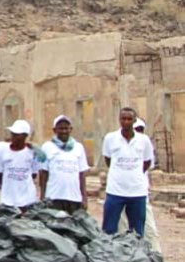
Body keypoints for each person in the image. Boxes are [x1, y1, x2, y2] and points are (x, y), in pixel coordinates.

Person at [101, 107, 154, 236]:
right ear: (119, 120)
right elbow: (108, 160)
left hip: (137, 192)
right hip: (115, 191)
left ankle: (136, 255)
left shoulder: (144, 140)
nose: (126, 122)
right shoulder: (110, 138)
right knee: (109, 229)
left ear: (134, 120)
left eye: (129, 119)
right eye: (123, 119)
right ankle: (109, 255)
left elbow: (147, 161)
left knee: (137, 231)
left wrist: (134, 174)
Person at [39, 115, 89, 214]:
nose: (63, 131)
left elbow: (81, 175)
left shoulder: (78, 148)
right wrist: (43, 196)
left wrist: (84, 198)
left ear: (71, 129)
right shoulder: (47, 147)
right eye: (60, 128)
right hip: (54, 197)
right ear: (54, 130)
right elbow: (43, 174)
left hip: (74, 198)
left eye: (66, 128)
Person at [0, 120, 40, 212]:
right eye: (13, 134)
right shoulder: (2, 152)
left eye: (17, 134)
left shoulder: (31, 152)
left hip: (27, 200)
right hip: (8, 200)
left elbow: (33, 174)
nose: (14, 137)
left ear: (25, 136)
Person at [132, 118, 160, 252]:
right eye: (135, 130)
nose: (138, 133)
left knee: (149, 230)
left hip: (140, 193)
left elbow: (147, 165)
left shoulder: (145, 145)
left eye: (140, 130)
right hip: (120, 194)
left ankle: (156, 259)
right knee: (123, 230)